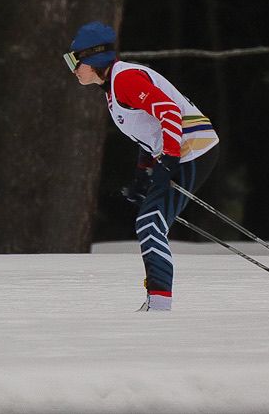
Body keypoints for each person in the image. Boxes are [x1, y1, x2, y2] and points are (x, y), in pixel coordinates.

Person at [64, 21, 219, 312]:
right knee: (150, 223)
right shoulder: (113, 86)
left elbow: (169, 112)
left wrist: (169, 161)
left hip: (193, 151)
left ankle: (159, 305)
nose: (73, 69)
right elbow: (148, 130)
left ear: (94, 58)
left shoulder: (125, 80)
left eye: (75, 60)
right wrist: (143, 173)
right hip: (182, 151)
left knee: (150, 224)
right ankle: (157, 301)